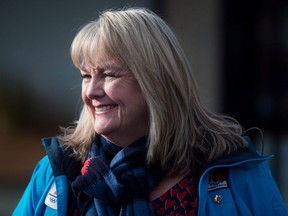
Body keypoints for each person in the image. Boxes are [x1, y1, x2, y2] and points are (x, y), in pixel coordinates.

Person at [13, 7, 287, 216]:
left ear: (155, 81)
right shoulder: (58, 169)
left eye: (108, 74)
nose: (92, 91)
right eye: (86, 76)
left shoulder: (232, 169)